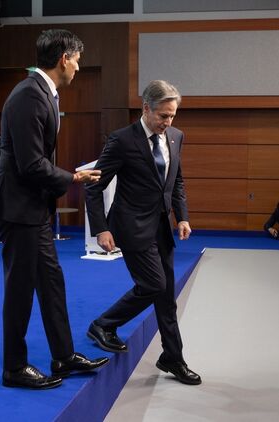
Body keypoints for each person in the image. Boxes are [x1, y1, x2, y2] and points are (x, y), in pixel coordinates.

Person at [0, 29, 108, 390]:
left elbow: (7, 149)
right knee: (20, 289)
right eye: (77, 60)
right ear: (64, 59)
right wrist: (73, 177)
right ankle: (14, 368)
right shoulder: (29, 95)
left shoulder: (43, 93)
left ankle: (63, 356)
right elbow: (29, 164)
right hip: (18, 209)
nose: (79, 68)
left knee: (52, 283)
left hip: (32, 208)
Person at [84, 80, 201, 385]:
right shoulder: (122, 140)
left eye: (172, 115)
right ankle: (103, 324)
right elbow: (94, 186)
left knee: (166, 297)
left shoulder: (176, 136)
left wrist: (182, 217)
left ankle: (173, 358)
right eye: (163, 115)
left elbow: (176, 181)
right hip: (131, 227)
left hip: (162, 228)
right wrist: (101, 229)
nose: (168, 122)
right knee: (153, 284)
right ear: (146, 108)